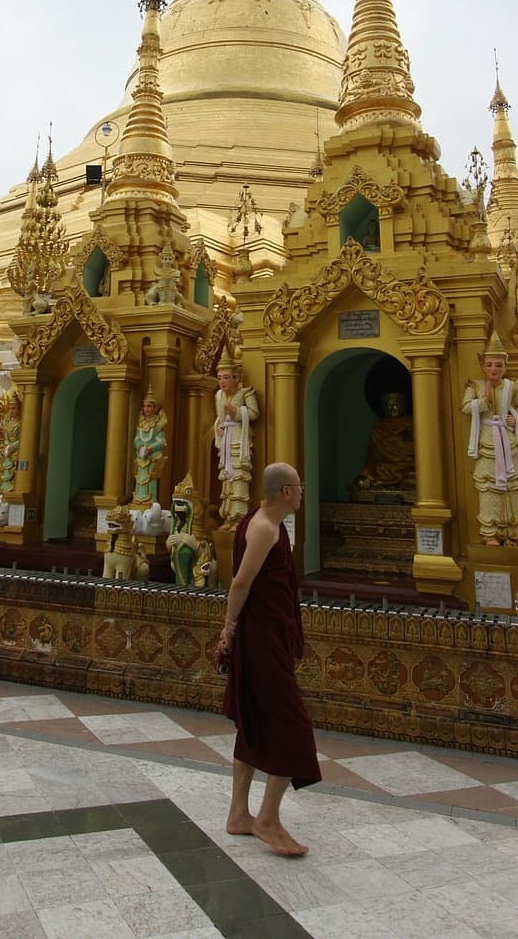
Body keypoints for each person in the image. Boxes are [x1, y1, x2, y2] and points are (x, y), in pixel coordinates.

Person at [218, 462, 320, 857]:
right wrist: (228, 629)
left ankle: (238, 813)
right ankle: (267, 819)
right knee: (293, 723)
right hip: (261, 639)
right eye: (300, 486)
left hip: (266, 634)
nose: (302, 492)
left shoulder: (265, 523)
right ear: (286, 492)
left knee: (254, 723)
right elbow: (241, 582)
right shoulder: (263, 527)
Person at [462, 333, 518, 546]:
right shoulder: (476, 386)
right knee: (488, 488)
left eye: (498, 365)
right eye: (489, 364)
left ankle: (515, 533)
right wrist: (483, 401)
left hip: (507, 442)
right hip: (487, 442)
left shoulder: (512, 387)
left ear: (504, 367)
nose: (493, 369)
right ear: (483, 366)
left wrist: (514, 418)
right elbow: (465, 407)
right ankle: (490, 533)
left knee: (512, 488)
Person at [214, 352, 260, 529]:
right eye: (219, 378)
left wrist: (236, 411)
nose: (222, 382)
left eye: (226, 377)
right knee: (227, 478)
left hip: (239, 439)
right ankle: (228, 517)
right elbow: (219, 417)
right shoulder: (218, 395)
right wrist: (218, 426)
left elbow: (254, 413)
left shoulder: (245, 393)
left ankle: (239, 518)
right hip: (225, 439)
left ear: (236, 377)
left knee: (239, 476)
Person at [131, 391, 167, 507]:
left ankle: (150, 501)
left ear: (154, 408)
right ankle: (138, 500)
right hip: (141, 457)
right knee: (139, 479)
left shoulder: (158, 424)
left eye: (149, 406)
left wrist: (150, 448)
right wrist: (139, 446)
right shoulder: (141, 423)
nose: (146, 409)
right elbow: (137, 438)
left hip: (152, 458)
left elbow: (161, 441)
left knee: (150, 480)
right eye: (145, 406)